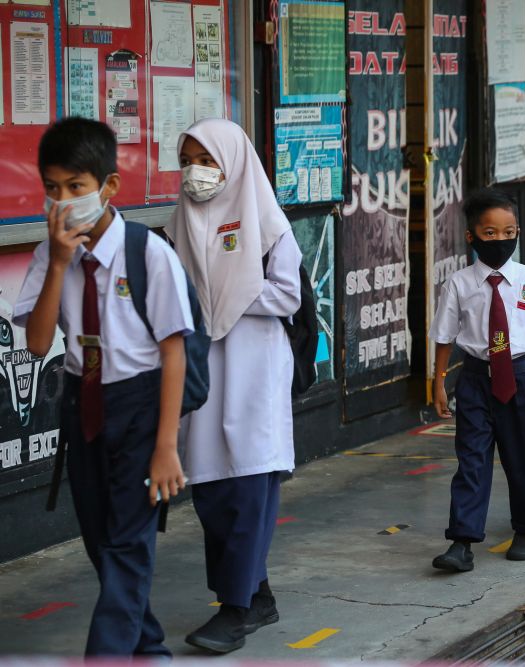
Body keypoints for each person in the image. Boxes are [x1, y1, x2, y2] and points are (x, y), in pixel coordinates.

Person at [15, 118, 191, 656]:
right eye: (52, 188)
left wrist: (166, 446)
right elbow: (39, 343)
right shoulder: (53, 254)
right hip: (82, 407)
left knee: (127, 546)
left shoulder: (148, 254)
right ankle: (150, 649)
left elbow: (173, 352)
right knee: (100, 542)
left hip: (139, 408)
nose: (63, 201)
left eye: (76, 187)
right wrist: (58, 264)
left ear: (108, 187)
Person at [168, 118, 302, 653]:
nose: (195, 173)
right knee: (211, 489)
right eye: (188, 161)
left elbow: (288, 295)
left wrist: (232, 297)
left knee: (249, 485)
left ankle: (234, 610)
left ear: (234, 163)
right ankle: (258, 593)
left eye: (207, 160)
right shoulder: (178, 225)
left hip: (254, 370)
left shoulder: (268, 224)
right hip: (205, 372)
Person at [429, 188, 525, 572]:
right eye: (490, 233)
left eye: (509, 232)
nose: (501, 240)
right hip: (475, 380)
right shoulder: (460, 284)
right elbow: (444, 337)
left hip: (519, 376)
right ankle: (462, 541)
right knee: (471, 460)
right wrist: (438, 382)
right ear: (471, 237)